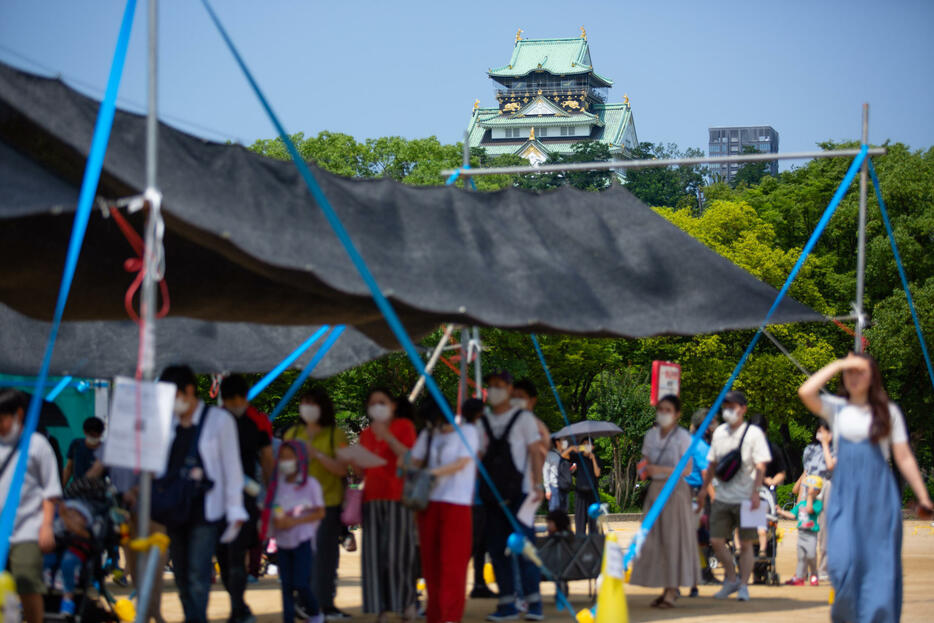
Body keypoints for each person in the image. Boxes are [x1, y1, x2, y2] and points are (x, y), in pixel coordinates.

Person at [798, 353, 933, 623]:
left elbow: (904, 456)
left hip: (879, 497)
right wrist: (839, 364)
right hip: (844, 497)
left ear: (873, 376)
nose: (854, 377)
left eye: (860, 372)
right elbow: (806, 391)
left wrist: (923, 496)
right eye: (850, 372)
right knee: (841, 564)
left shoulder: (888, 412)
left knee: (880, 570)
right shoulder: (836, 409)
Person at [158, 365, 247, 623]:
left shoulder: (219, 421)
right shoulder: (167, 423)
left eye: (173, 395)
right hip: (174, 509)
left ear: (188, 391)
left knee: (198, 575)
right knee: (181, 577)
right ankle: (192, 617)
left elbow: (232, 468)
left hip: (206, 511)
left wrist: (235, 509)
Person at [477, 371, 544, 621]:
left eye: (499, 386)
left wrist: (538, 484)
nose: (494, 390)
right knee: (497, 550)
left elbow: (535, 451)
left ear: (508, 388)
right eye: (491, 386)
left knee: (524, 548)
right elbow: (479, 455)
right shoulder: (484, 420)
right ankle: (507, 605)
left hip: (522, 493)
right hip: (493, 495)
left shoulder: (523, 418)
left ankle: (534, 604)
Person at [695, 390, 771, 602]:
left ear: (743, 409)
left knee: (748, 543)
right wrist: (704, 490)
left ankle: (744, 585)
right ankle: (732, 578)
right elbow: (712, 464)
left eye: (733, 406)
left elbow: (761, 465)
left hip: (749, 497)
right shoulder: (719, 432)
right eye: (726, 406)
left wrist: (756, 492)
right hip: (723, 496)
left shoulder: (754, 434)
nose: (729, 410)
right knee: (716, 540)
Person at [283, 387, 351, 620]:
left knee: (325, 556)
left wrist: (318, 455)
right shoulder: (292, 434)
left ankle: (324, 604)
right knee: (300, 556)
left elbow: (342, 469)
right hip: (296, 506)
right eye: (304, 402)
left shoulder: (336, 435)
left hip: (327, 504)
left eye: (313, 402)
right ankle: (304, 602)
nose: (307, 407)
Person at [629, 395, 700, 608]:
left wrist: (658, 470)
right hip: (655, 490)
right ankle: (664, 587)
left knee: (673, 540)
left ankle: (672, 589)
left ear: (677, 414)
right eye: (660, 409)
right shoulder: (651, 435)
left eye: (668, 410)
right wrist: (645, 469)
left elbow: (686, 469)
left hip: (675, 491)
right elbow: (646, 463)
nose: (663, 414)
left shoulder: (683, 437)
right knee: (654, 541)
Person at [410, 399, 477, 623]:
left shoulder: (467, 431)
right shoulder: (428, 434)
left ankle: (450, 616)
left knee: (453, 565)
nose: (436, 426)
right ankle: (436, 616)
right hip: (428, 504)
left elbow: (462, 463)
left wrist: (432, 472)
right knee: (431, 565)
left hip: (456, 504)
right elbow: (413, 462)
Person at [0, 389, 62, 623]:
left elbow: (51, 491)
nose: (0, 425)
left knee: (27, 584)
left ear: (18, 414)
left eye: (2, 419)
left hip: (28, 529)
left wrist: (46, 526)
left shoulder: (37, 445)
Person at [357, 389, 418, 622]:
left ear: (392, 405)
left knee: (398, 553)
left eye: (382, 402)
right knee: (374, 557)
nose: (377, 407)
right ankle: (380, 606)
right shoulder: (365, 433)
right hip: (371, 498)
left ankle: (407, 602)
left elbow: (410, 457)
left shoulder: (403, 426)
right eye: (372, 403)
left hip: (397, 497)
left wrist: (388, 437)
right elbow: (362, 470)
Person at [217, 374, 274, 623]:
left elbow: (267, 458)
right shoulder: (216, 421)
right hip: (219, 499)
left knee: (236, 554)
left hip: (244, 497)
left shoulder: (257, 422)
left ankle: (237, 607)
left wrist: (270, 491)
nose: (235, 403)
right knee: (225, 556)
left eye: (237, 398)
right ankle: (238, 605)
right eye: (231, 399)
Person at [261, 440, 325, 623]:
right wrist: (276, 521)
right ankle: (288, 618)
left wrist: (295, 521)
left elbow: (320, 512)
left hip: (303, 540)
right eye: (282, 457)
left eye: (290, 457)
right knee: (286, 585)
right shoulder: (277, 484)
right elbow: (273, 507)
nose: (285, 461)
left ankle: (315, 613)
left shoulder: (310, 485)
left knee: (301, 582)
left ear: (300, 459)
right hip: (283, 541)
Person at [462, 398, 496, 600]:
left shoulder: (470, 431)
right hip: (473, 497)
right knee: (473, 544)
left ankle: (479, 583)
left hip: (479, 496)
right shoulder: (471, 432)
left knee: (481, 543)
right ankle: (473, 583)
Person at [795, 422, 835, 580]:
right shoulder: (809, 449)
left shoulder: (837, 449)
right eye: (819, 431)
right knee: (806, 526)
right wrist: (801, 498)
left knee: (825, 528)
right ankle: (803, 569)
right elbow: (806, 472)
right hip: (810, 485)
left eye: (824, 432)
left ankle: (824, 569)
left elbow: (831, 466)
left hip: (828, 484)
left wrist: (826, 444)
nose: (821, 434)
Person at [685, 408, 717, 594]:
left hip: (680, 493)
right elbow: (706, 475)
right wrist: (713, 497)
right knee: (702, 536)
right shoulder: (701, 447)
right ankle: (702, 574)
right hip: (696, 494)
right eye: (712, 424)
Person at [747, 413, 786, 557]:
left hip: (766, 493)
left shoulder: (773, 449)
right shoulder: (743, 449)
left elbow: (782, 472)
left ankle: (764, 551)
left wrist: (773, 481)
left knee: (764, 523)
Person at [779, 475, 824, 587]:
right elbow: (792, 515)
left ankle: (814, 574)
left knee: (811, 555)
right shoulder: (801, 504)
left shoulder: (817, 504)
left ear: (817, 491)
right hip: (802, 533)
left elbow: (809, 510)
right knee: (801, 557)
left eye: (811, 489)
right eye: (807, 488)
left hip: (811, 534)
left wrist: (809, 497)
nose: (808, 490)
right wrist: (780, 511)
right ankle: (799, 577)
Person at [62, 416, 106, 485]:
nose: (94, 437)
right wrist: (61, 488)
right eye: (91, 434)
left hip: (98, 491)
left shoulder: (105, 450)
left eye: (97, 435)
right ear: (84, 432)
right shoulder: (76, 445)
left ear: (101, 434)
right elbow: (68, 469)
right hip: (77, 490)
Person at [571, 437, 601, 536]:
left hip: (593, 492)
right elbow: (564, 456)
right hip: (580, 492)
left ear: (593, 447)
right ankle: (580, 541)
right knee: (580, 520)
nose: (586, 446)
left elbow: (597, 474)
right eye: (584, 444)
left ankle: (594, 541)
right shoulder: (578, 457)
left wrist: (593, 460)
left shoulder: (596, 458)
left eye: (588, 444)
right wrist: (572, 448)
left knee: (594, 520)